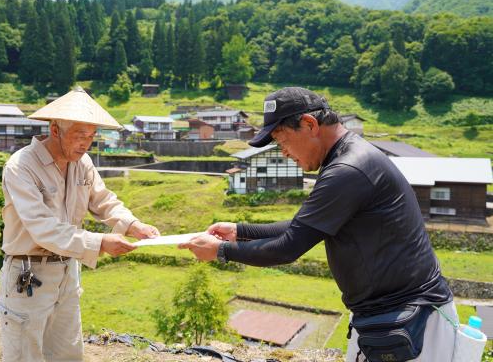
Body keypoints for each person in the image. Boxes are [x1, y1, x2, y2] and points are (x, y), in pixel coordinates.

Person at [180, 87, 457, 361]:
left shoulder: (347, 169)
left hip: (413, 321)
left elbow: (288, 248)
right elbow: (305, 226)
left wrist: (220, 251)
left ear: (309, 124)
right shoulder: (345, 158)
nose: (284, 152)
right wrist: (240, 231)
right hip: (392, 317)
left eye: (282, 140)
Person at [0, 86, 159, 362]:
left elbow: (103, 200)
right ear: (55, 130)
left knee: (67, 353)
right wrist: (100, 242)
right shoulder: (21, 167)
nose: (86, 143)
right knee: (25, 354)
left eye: (92, 136)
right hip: (28, 272)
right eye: (80, 135)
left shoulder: (82, 163)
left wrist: (132, 224)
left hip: (67, 271)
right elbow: (43, 228)